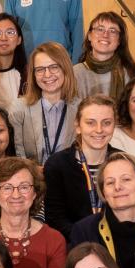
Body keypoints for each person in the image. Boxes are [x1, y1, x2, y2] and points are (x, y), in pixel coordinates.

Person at [41, 94, 120, 234]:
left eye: (107, 122)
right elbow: (55, 219)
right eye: (91, 123)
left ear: (115, 125)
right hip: (75, 246)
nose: (99, 129)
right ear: (78, 126)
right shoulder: (57, 165)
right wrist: (87, 239)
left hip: (117, 244)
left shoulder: (123, 162)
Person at [10, 42, 79, 165]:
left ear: (65, 69)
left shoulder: (80, 109)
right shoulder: (19, 108)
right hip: (32, 179)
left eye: (54, 67)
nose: (47, 75)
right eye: (40, 69)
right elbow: (17, 153)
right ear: (33, 74)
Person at [72, 12, 135, 100]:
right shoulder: (75, 73)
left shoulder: (130, 73)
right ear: (89, 36)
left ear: (119, 40)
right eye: (100, 29)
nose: (105, 35)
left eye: (112, 31)